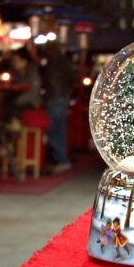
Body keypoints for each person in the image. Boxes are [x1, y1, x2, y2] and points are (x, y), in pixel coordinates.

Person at [42, 42, 76, 173]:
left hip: (54, 98)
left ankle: (62, 159)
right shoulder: (65, 61)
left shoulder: (50, 63)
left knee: (53, 129)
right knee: (60, 129)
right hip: (64, 96)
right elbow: (73, 78)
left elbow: (49, 83)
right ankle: (63, 158)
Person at [7, 48, 41, 123]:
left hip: (32, 102)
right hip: (22, 100)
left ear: (25, 61)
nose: (14, 63)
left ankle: (15, 129)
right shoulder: (17, 74)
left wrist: (18, 101)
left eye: (16, 60)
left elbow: (33, 92)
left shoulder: (32, 72)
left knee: (13, 108)